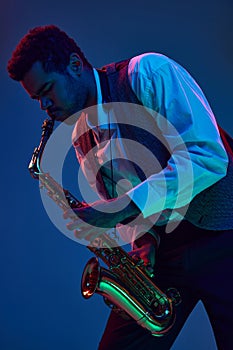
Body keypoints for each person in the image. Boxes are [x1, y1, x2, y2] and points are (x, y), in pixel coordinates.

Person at [7, 25, 233, 350]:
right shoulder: (80, 137)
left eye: (47, 90)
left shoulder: (147, 72)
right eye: (36, 98)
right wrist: (144, 241)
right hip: (168, 257)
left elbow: (208, 157)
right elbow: (126, 207)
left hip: (224, 236)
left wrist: (122, 208)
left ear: (74, 65)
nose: (45, 106)